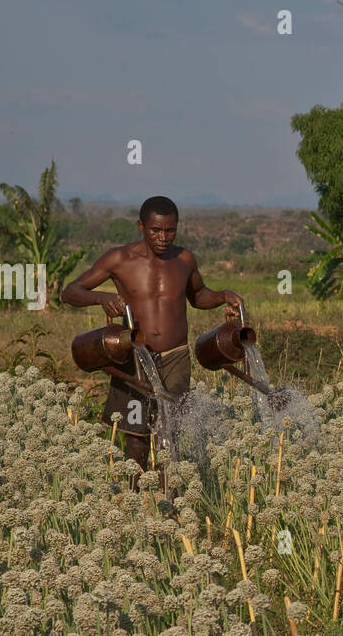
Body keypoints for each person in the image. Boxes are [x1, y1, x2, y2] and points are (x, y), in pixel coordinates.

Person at [60, 195, 243, 483]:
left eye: (170, 230)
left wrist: (223, 296)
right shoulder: (119, 259)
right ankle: (135, 507)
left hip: (175, 357)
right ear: (141, 227)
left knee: (171, 437)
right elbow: (70, 292)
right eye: (156, 230)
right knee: (136, 439)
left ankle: (170, 504)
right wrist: (101, 297)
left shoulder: (184, 259)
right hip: (134, 359)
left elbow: (198, 297)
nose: (163, 237)